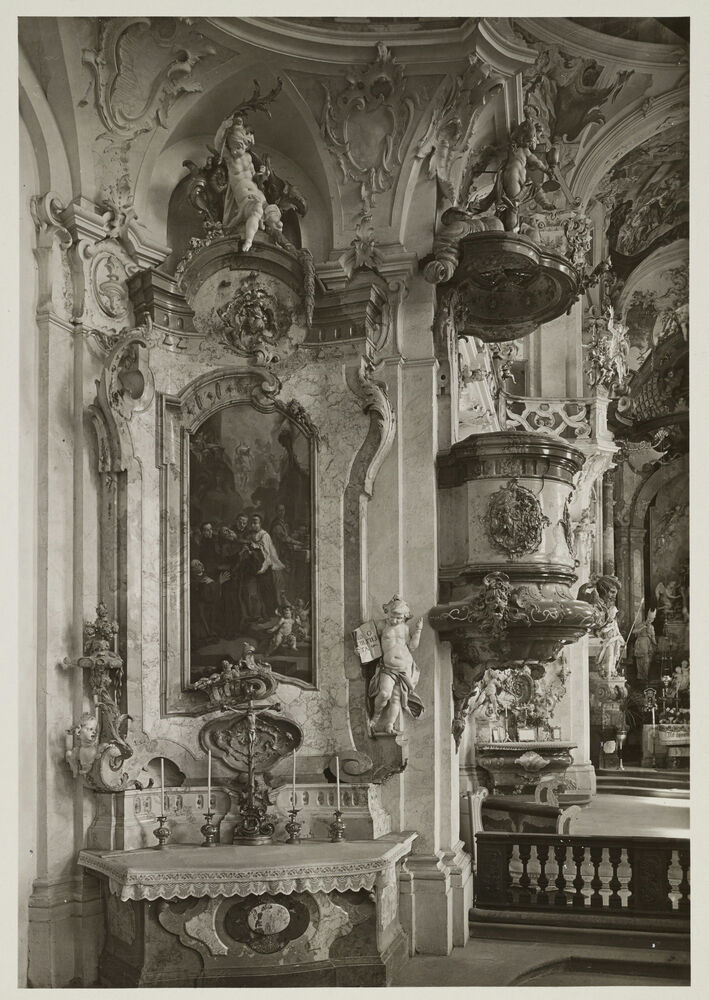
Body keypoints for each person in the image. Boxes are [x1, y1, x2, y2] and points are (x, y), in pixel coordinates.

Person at [214, 113, 282, 251]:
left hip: (258, 194)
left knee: (275, 218)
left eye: (239, 147)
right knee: (256, 210)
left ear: (245, 144)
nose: (236, 151)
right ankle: (249, 241)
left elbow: (254, 177)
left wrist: (262, 175)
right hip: (245, 196)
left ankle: (278, 242)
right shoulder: (230, 159)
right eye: (233, 147)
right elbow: (218, 144)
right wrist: (223, 127)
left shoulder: (249, 158)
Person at [369, 595, 425, 734]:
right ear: (386, 612)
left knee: (396, 699)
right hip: (388, 668)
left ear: (404, 617)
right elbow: (369, 642)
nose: (395, 620)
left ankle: (390, 725)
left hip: (405, 667)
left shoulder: (405, 628)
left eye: (399, 618)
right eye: (392, 617)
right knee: (384, 694)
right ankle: (376, 715)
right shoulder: (381, 625)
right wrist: (360, 650)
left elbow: (412, 647)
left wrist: (418, 631)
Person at [634, 609, 657, 681]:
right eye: (649, 618)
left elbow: (653, 638)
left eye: (652, 619)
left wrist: (656, 644)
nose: (650, 620)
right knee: (639, 661)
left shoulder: (652, 627)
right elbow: (634, 631)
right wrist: (642, 627)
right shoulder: (641, 624)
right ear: (647, 617)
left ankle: (645, 677)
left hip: (647, 645)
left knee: (646, 661)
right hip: (640, 643)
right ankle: (640, 677)